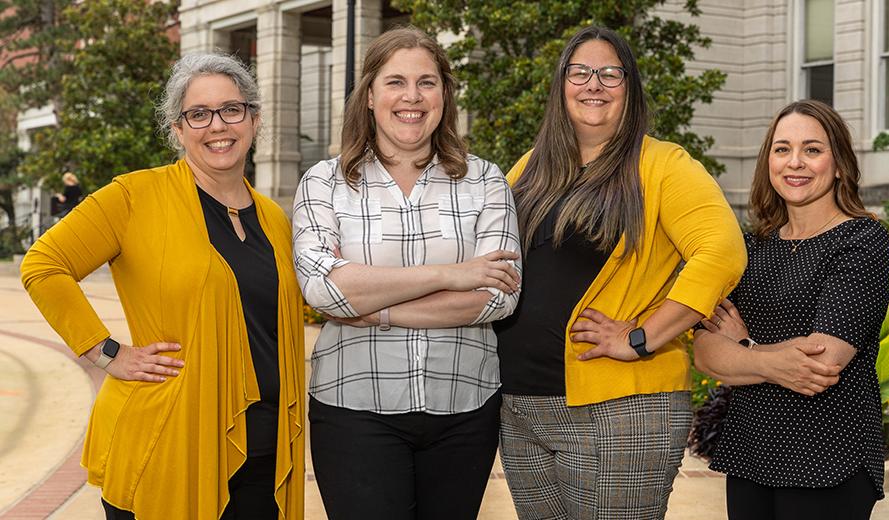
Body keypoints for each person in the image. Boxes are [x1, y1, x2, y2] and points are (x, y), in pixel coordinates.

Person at [20, 53, 305, 519]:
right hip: (169, 444)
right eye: (199, 114)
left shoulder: (273, 218)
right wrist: (106, 352)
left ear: (254, 119)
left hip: (264, 451)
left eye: (232, 110)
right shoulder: (134, 196)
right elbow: (44, 265)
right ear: (177, 129)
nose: (218, 126)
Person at [493, 26, 746, 520]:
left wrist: (643, 338)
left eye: (611, 73)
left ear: (630, 88)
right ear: (561, 84)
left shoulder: (662, 165)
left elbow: (721, 250)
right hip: (522, 409)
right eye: (580, 72)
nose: (594, 84)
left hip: (622, 412)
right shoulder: (530, 169)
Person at [293, 27, 521, 520]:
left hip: (465, 408)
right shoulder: (325, 182)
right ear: (370, 95)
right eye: (395, 81)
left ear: (444, 94)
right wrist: (451, 274)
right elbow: (324, 288)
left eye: (427, 82)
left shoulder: (485, 180)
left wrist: (378, 309)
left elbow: (499, 296)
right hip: (353, 408)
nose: (412, 97)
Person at [693, 100, 889, 520]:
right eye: (782, 149)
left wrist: (745, 346)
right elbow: (706, 354)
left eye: (813, 149)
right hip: (751, 449)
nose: (795, 162)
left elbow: (821, 364)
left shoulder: (861, 241)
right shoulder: (750, 248)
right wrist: (768, 357)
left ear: (839, 164)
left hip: (829, 454)